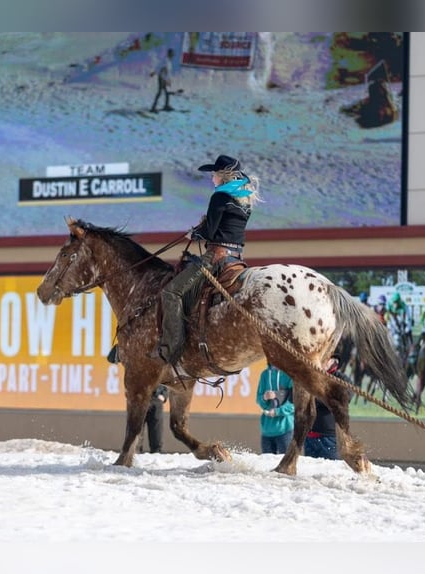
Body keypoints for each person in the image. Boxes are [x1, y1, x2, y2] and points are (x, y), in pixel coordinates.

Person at [152, 154, 261, 365]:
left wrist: (195, 233)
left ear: (222, 176)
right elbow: (226, 228)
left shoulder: (220, 196)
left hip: (216, 257)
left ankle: (170, 347)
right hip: (236, 258)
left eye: (214, 174)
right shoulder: (245, 199)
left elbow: (211, 232)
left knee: (171, 292)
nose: (212, 178)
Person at [304, 354, 352, 460]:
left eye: (324, 359)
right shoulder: (312, 378)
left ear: (333, 361)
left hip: (328, 436)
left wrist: (318, 398)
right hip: (309, 435)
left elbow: (345, 399)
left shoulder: (342, 379)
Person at [256, 363, 295, 455]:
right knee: (266, 464)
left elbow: (295, 403)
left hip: (285, 429)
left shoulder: (289, 375)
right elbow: (259, 399)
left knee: (285, 462)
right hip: (266, 430)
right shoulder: (265, 374)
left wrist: (277, 411)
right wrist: (264, 397)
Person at [150, 48, 175, 113]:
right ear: (169, 54)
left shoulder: (169, 62)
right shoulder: (165, 61)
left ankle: (166, 106)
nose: (172, 55)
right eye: (171, 54)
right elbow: (159, 67)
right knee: (160, 93)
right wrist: (154, 73)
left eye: (172, 54)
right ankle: (153, 108)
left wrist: (168, 80)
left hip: (165, 79)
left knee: (167, 92)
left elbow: (168, 72)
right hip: (161, 78)